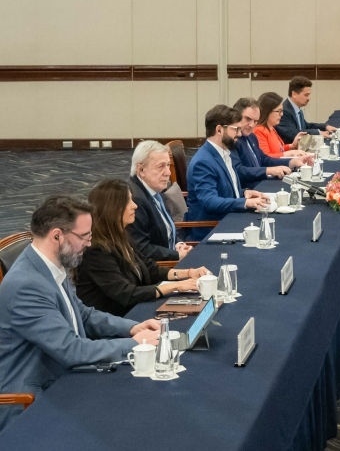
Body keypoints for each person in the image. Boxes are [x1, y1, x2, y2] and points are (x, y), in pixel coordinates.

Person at [0, 196, 161, 431]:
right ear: (57, 236)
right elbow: (72, 350)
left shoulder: (50, 265)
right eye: (85, 236)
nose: (89, 243)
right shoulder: (27, 285)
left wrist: (131, 328)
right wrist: (136, 344)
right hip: (32, 402)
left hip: (63, 377)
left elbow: (82, 314)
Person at [75, 179, 210, 316]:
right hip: (118, 317)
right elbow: (126, 293)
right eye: (128, 201)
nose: (135, 206)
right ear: (113, 209)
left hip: (135, 307)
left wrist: (188, 273)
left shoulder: (122, 236)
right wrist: (176, 286)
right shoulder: (96, 250)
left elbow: (150, 269)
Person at [185, 104, 271, 239]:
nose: (239, 134)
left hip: (230, 218)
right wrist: (245, 202)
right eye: (235, 129)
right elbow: (210, 201)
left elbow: (223, 190)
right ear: (219, 130)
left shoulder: (224, 153)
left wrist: (244, 193)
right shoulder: (203, 162)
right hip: (213, 230)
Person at [127, 140, 192, 262]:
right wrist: (176, 255)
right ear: (141, 170)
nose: (168, 173)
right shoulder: (135, 200)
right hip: (159, 267)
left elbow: (167, 231)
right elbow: (141, 249)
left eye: (168, 165)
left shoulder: (154, 190)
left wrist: (179, 244)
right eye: (161, 166)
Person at [231, 97, 312, 186]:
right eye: (248, 119)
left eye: (255, 121)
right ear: (236, 116)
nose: (251, 125)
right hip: (249, 188)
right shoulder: (232, 140)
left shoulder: (251, 136)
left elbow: (264, 159)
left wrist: (292, 162)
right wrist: (268, 170)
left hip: (261, 183)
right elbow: (238, 171)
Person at [275, 76, 336, 143]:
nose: (308, 98)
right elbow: (294, 134)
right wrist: (318, 133)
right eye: (306, 95)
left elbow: (306, 126)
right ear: (294, 94)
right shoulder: (284, 111)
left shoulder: (296, 108)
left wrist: (325, 127)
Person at [255, 92, 312, 159]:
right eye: (278, 111)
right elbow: (265, 158)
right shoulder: (259, 131)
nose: (281, 114)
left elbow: (279, 149)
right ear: (267, 111)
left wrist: (292, 146)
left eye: (282, 111)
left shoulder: (272, 128)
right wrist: (290, 153)